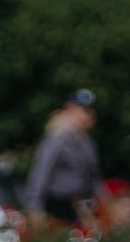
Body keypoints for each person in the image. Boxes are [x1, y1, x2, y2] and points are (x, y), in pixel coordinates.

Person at [22, 94, 102, 227]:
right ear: (70, 109)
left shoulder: (86, 141)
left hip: (80, 204)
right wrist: (34, 207)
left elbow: (93, 174)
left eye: (90, 110)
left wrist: (101, 200)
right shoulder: (58, 137)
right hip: (57, 204)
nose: (88, 115)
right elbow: (42, 172)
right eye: (83, 110)